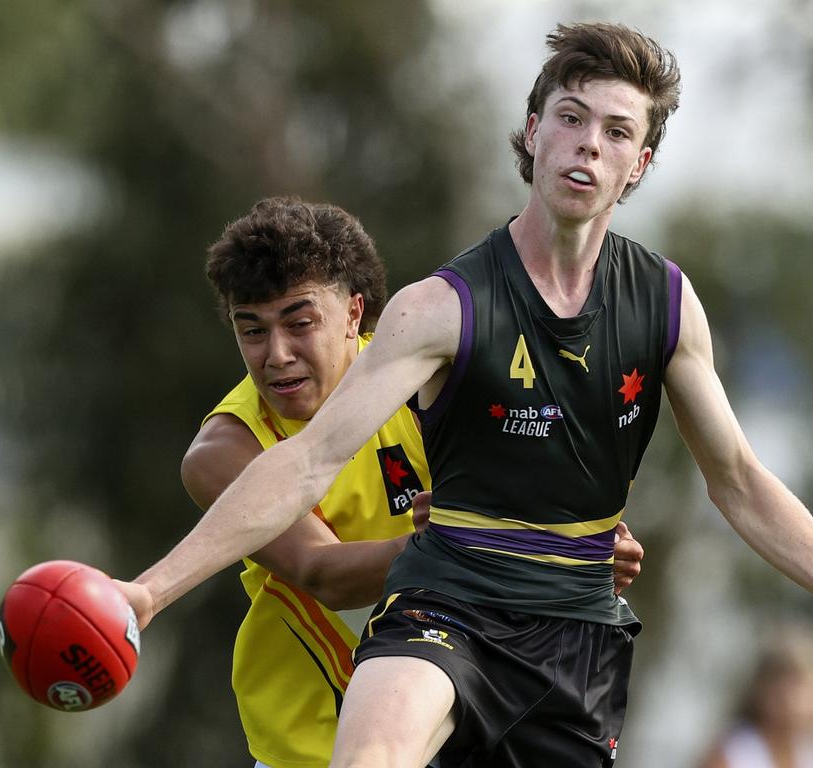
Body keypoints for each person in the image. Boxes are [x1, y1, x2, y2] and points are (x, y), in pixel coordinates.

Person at [117, 22, 813, 768]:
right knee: (371, 754)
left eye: (616, 131)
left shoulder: (665, 305)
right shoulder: (440, 309)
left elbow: (736, 478)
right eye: (570, 117)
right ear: (533, 131)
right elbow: (306, 465)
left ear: (640, 164)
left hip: (575, 639)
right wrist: (146, 592)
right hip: (445, 605)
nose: (588, 144)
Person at [177, 196, 646, 768]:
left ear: (354, 313)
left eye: (299, 324)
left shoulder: (425, 373)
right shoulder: (225, 449)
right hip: (309, 749)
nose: (276, 355)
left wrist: (581, 546)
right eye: (251, 330)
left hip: (457, 731)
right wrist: (465, 541)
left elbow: (533, 488)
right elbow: (323, 574)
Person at [697, 622, 813, 768]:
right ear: (761, 690)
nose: (796, 700)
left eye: (808, 687)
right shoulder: (736, 751)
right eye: (786, 686)